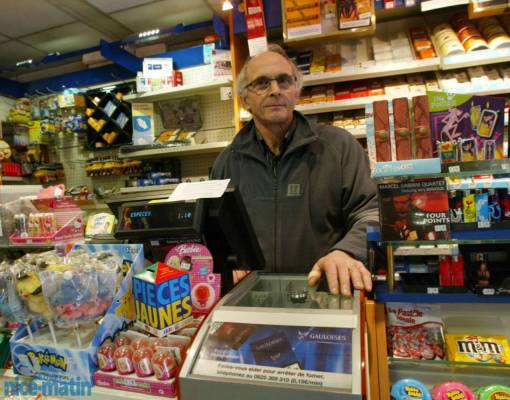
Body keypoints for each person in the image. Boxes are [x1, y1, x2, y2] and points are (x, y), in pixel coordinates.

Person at [210, 44, 378, 296]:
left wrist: (346, 252)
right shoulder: (227, 162)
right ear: (245, 100)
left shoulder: (339, 147)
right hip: (254, 302)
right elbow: (217, 234)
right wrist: (227, 265)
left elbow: (370, 213)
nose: (275, 90)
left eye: (284, 81)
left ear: (296, 91)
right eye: (262, 83)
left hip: (325, 295)